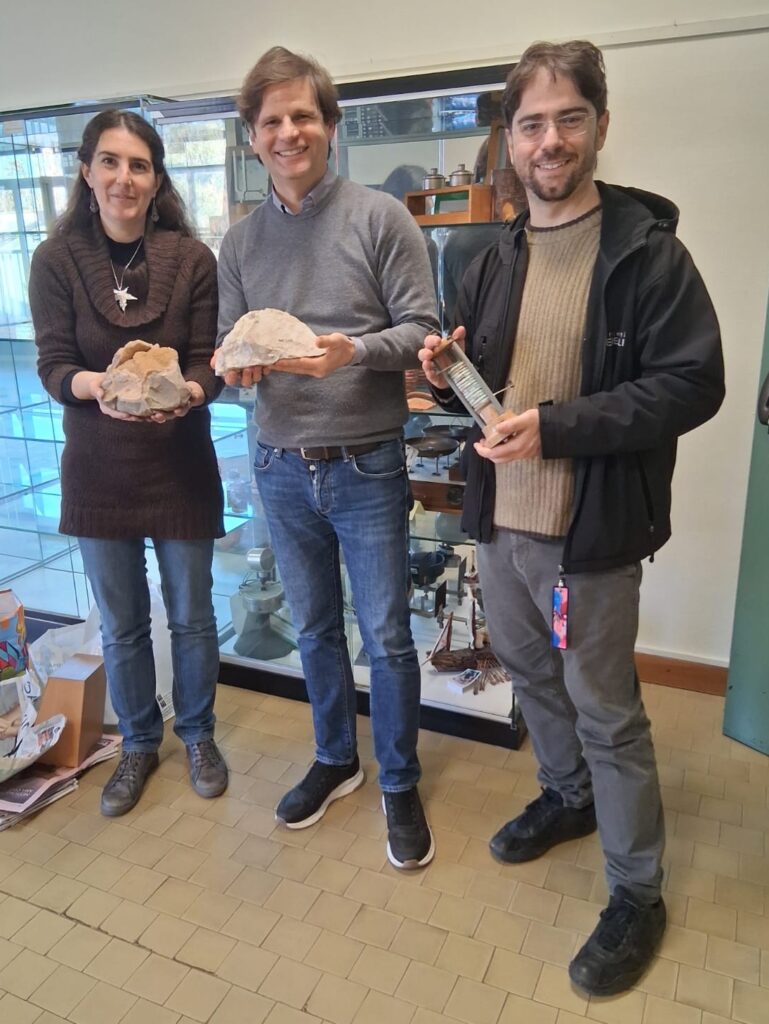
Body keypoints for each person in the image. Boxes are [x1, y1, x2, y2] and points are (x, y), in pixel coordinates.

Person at [419, 40, 724, 993]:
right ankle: (566, 796)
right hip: (501, 521)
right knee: (527, 675)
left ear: (598, 126)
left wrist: (554, 427)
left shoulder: (647, 254)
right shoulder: (492, 255)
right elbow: (487, 395)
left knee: (605, 707)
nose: (548, 141)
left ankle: (636, 891)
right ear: (508, 141)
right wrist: (446, 378)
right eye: (531, 124)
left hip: (588, 534)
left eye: (567, 119)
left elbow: (692, 383)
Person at [216, 46, 440, 869]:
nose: (288, 133)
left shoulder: (380, 218)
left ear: (330, 126)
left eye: (302, 116)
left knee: (385, 633)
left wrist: (351, 352)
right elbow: (230, 345)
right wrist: (235, 368)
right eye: (271, 121)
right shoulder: (240, 243)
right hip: (279, 464)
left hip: (366, 460)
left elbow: (422, 332)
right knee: (313, 626)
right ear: (252, 136)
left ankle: (399, 779)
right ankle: (336, 758)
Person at [29, 110, 228, 817]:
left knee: (193, 616)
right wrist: (101, 388)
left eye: (139, 165)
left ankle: (198, 734)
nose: (123, 178)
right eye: (109, 162)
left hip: (180, 465)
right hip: (99, 471)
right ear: (86, 171)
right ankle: (140, 742)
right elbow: (53, 365)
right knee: (122, 624)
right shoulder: (55, 260)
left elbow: (208, 360)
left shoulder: (192, 259)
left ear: (156, 178)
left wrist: (190, 392)